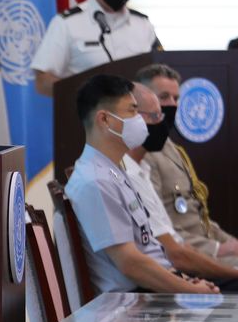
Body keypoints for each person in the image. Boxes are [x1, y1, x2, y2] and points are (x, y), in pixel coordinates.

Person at [65, 74, 218, 295]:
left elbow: (148, 249)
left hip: (152, 293)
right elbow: (130, 263)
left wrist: (184, 280)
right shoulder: (95, 181)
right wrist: (190, 290)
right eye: (132, 111)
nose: (140, 120)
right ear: (104, 120)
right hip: (133, 306)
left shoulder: (114, 171)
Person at [123, 84, 238, 285]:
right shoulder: (129, 173)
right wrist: (230, 271)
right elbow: (173, 254)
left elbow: (181, 238)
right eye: (155, 115)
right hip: (161, 284)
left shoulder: (146, 166)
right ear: (133, 116)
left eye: (175, 98)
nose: (170, 109)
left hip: (182, 268)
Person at [31, 0, 162, 96]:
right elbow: (42, 81)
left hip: (137, 116)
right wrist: (86, 97)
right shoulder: (67, 23)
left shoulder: (142, 24)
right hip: (83, 117)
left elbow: (162, 71)